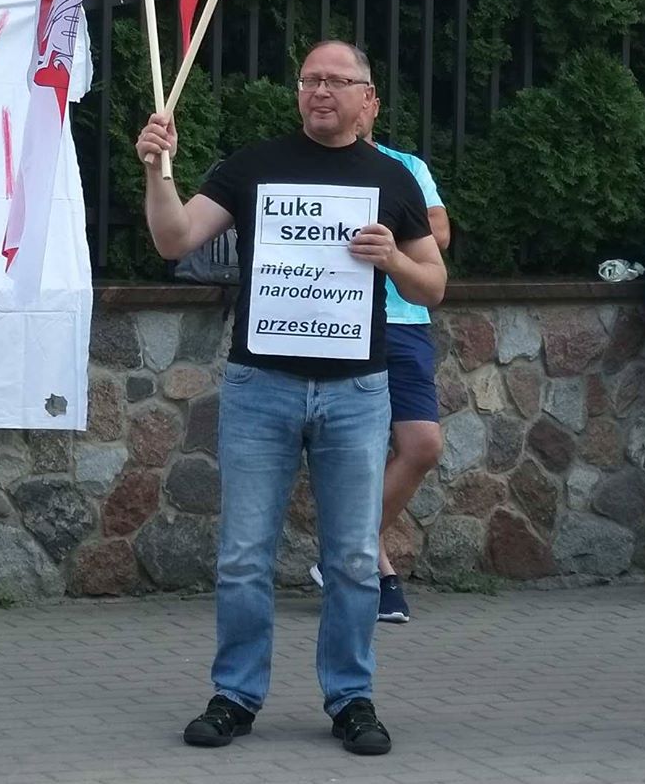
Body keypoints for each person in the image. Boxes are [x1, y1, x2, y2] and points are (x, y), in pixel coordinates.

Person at [136, 41, 445, 758]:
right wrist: (158, 171)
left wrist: (393, 258)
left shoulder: (392, 178)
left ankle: (351, 696)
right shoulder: (253, 165)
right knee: (243, 553)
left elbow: (433, 284)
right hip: (261, 385)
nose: (322, 91)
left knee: (351, 557)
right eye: (311, 79)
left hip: (357, 390)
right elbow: (172, 238)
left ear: (370, 98)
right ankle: (236, 694)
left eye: (339, 81)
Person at [304, 94, 450, 626]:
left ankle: (345, 552)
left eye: (350, 90)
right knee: (353, 452)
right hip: (333, 319)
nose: (339, 102)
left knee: (422, 444)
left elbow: (439, 233)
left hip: (402, 320)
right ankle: (373, 569)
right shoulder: (304, 167)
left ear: (371, 105)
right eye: (319, 84)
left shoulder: (405, 168)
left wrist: (385, 238)